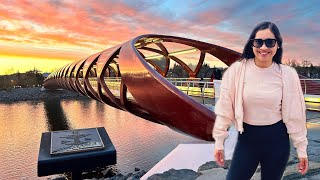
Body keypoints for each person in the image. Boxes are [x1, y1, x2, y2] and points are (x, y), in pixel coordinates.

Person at [212, 21, 308, 180]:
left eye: (270, 42)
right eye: (258, 42)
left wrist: (302, 149)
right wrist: (219, 141)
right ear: (251, 44)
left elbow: (295, 114)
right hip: (247, 142)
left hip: (277, 142)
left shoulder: (287, 74)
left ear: (278, 45)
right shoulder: (237, 70)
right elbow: (225, 108)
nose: (264, 47)